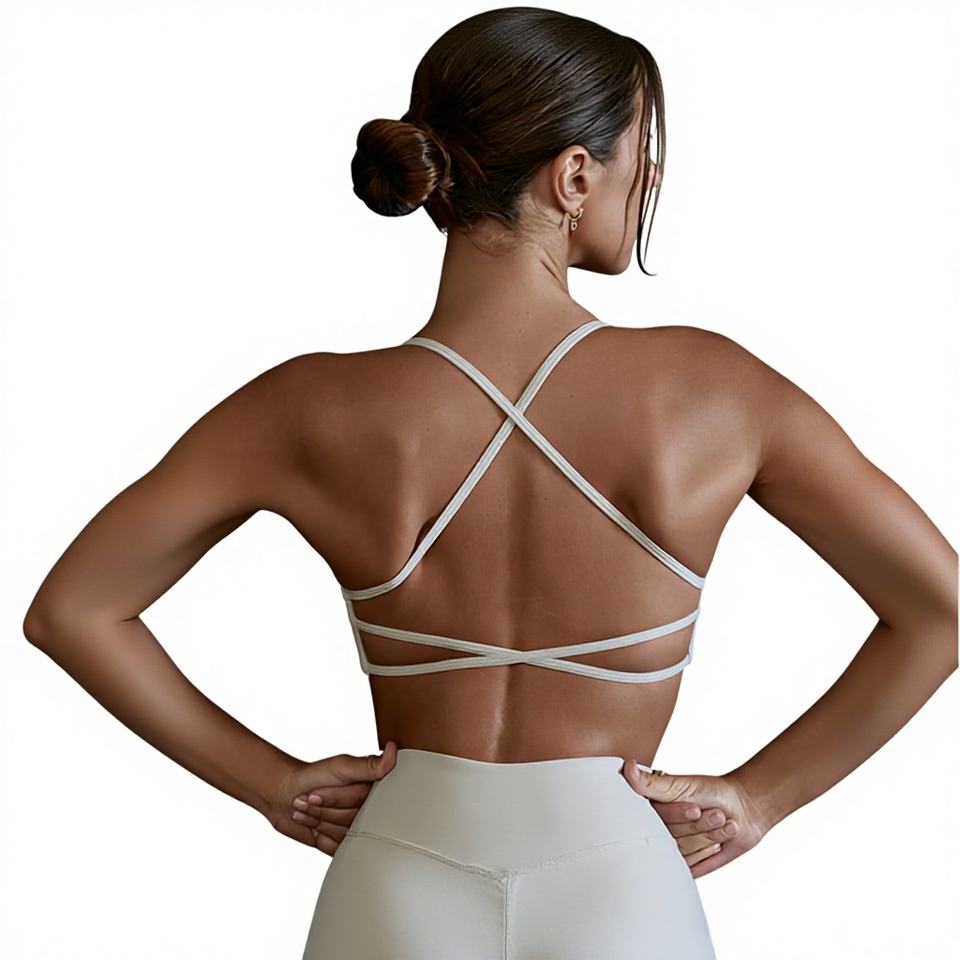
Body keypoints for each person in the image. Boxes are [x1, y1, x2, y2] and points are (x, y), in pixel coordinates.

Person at [22, 8, 957, 959]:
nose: (651, 178)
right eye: (642, 150)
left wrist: (273, 785)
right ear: (575, 175)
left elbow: (75, 611)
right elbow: (943, 609)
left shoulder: (306, 406)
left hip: (397, 869)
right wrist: (758, 800)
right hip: (620, 878)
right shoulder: (717, 393)